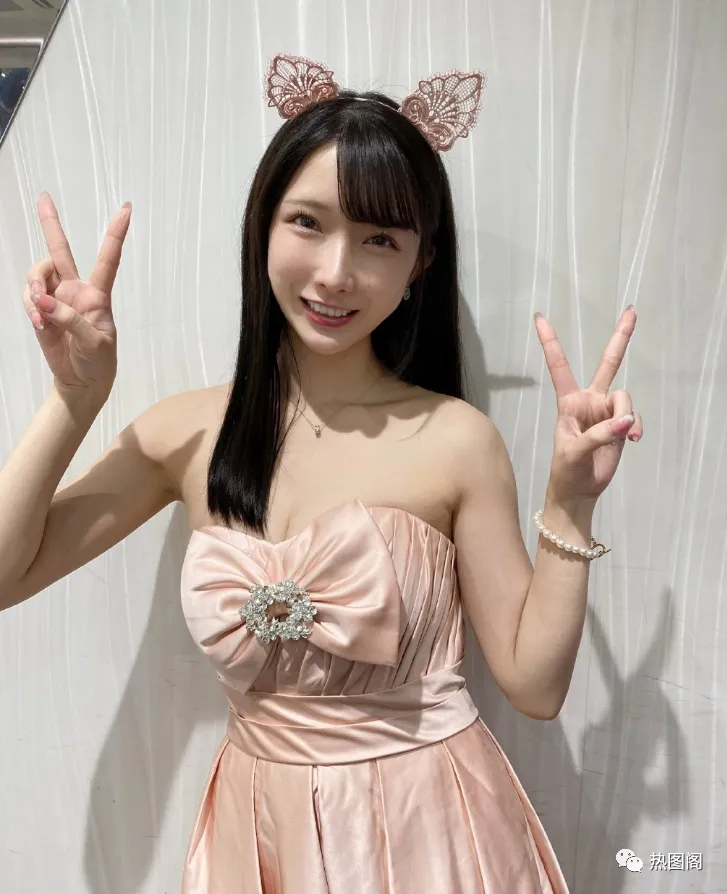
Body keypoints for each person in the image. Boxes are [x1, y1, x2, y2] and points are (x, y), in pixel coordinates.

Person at [0, 53, 642, 894]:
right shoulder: (185, 432)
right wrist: (74, 399)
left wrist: (570, 501)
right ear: (262, 225)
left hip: (431, 831)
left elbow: (533, 685)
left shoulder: (455, 440)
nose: (337, 272)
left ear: (418, 264)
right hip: (259, 833)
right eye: (307, 222)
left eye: (379, 239)